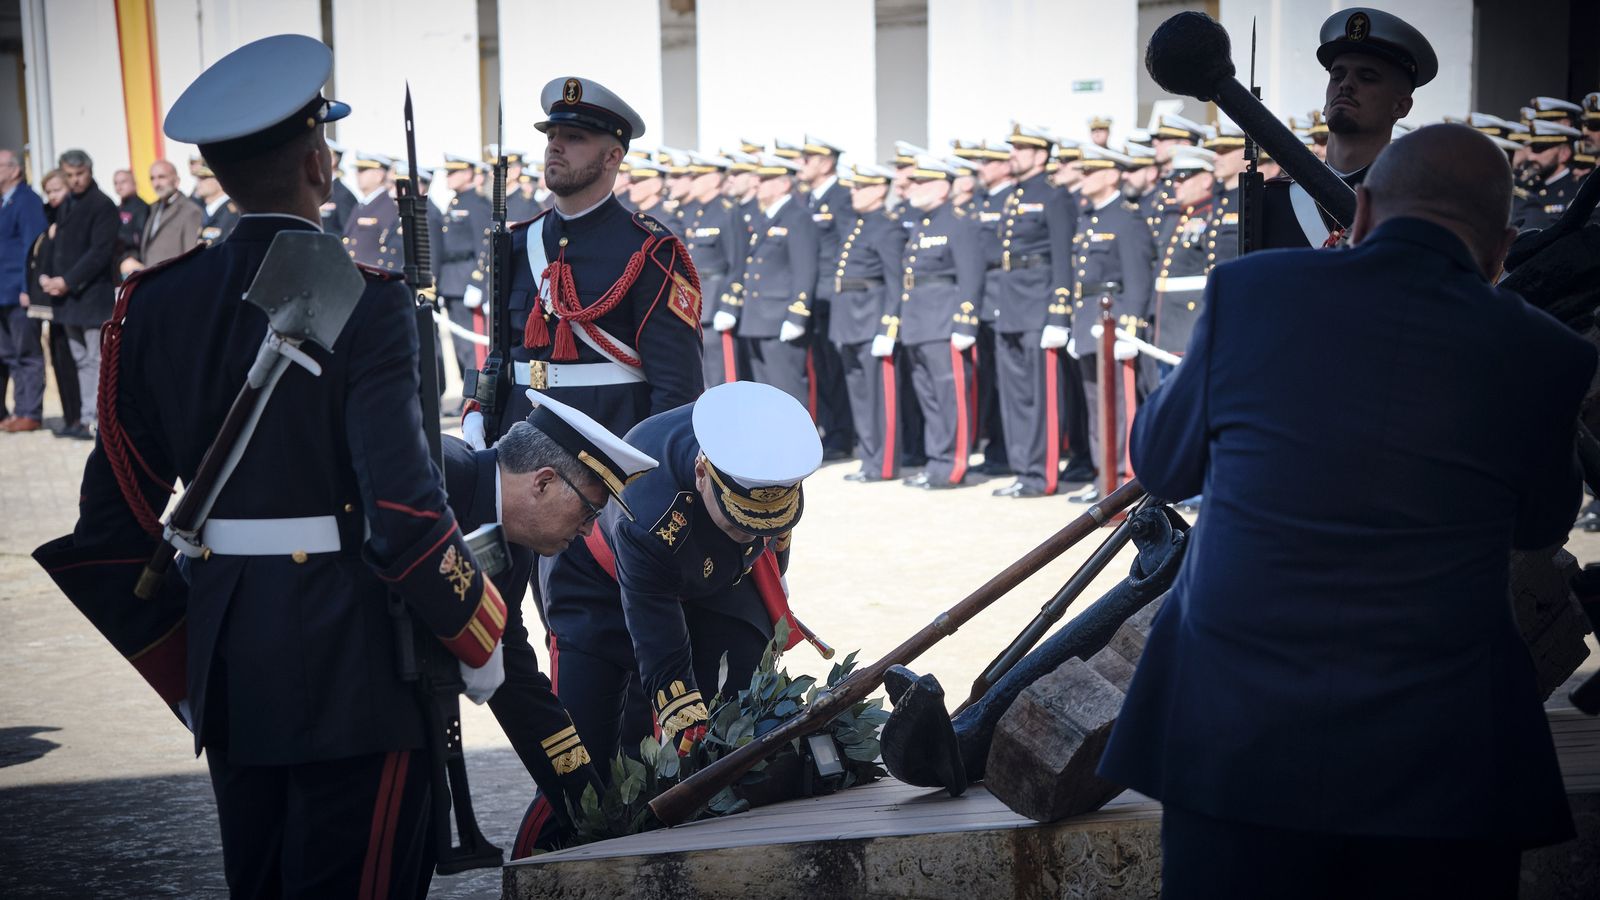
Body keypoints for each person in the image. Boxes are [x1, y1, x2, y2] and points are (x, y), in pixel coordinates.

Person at [33, 35, 505, 897]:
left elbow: (110, 533)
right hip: (357, 666)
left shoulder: (155, 304)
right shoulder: (370, 299)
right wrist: (477, 629)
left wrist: (202, 641)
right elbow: (402, 517)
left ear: (213, 168)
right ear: (320, 164)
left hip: (229, 663)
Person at [1099, 124, 1591, 898]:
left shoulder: (1251, 293)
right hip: (1441, 756)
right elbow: (1540, 527)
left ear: (1360, 214)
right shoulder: (1545, 355)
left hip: (1235, 733)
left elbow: (1162, 462)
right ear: (1502, 248)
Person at [537, 381, 821, 781]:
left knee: (741, 721)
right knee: (584, 760)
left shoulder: (756, 450)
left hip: (713, 576)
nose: (753, 535)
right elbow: (664, 655)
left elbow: (769, 530)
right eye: (740, 523)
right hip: (599, 588)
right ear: (703, 474)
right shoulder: (651, 516)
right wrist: (687, 723)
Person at [440, 391, 657, 856]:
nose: (587, 531)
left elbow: (516, 680)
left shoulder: (514, 548)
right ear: (542, 482)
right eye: (588, 512)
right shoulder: (439, 473)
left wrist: (588, 806)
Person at [463, 76, 703, 445]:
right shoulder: (519, 241)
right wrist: (478, 409)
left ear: (612, 157)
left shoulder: (651, 252)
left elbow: (677, 390)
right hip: (518, 441)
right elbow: (502, 354)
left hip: (605, 450)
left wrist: (645, 473)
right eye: (551, 135)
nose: (555, 147)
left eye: (574, 138)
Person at [1261, 7, 1436, 249]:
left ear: (1401, 106)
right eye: (1337, 75)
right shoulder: (1274, 200)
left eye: (1367, 77)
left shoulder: (1416, 206)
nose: (1346, 85)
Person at [1063, 145, 1154, 505]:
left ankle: (1123, 480)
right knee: (1095, 404)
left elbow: (1138, 277)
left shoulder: (1126, 219)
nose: (1083, 178)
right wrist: (1074, 324)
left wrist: (1130, 326)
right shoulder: (1088, 218)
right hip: (1089, 321)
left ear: (1112, 175)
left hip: (1115, 322)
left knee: (1118, 405)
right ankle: (1105, 476)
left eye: (1090, 172)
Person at [989, 124, 1076, 498]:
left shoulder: (1053, 197)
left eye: (1022, 149)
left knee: (1041, 398)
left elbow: (1063, 257)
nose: (1014, 154)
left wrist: (1059, 311)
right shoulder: (1013, 195)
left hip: (1039, 302)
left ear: (1041, 155)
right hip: (1010, 303)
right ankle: (1024, 469)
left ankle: (1042, 475)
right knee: (1014, 396)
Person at [895, 156, 985, 491]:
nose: (912, 188)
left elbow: (971, 275)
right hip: (919, 322)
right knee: (930, 400)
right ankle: (937, 462)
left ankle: (953, 466)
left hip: (945, 321)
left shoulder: (958, 223)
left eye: (921, 182)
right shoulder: (924, 223)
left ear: (942, 187)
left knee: (951, 399)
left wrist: (965, 322)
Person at [830, 164, 907, 483]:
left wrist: (889, 325)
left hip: (872, 316)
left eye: (860, 187)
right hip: (850, 318)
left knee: (880, 397)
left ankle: (885, 463)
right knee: (861, 396)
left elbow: (895, 281)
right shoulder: (859, 224)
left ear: (879, 189)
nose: (853, 193)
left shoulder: (887, 228)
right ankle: (870, 459)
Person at [37, 149, 118, 439]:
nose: (75, 180)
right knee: (80, 359)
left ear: (90, 171)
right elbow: (56, 245)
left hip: (91, 296)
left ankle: (98, 420)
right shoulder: (66, 204)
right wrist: (46, 277)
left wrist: (68, 281)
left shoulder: (102, 204)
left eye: (79, 174)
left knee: (97, 360)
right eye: (69, 175)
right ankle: (85, 418)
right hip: (68, 299)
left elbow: (99, 253)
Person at [726, 154, 817, 410]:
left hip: (780, 319)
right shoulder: (766, 218)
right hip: (758, 318)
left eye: (765, 179)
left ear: (783, 184)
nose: (758, 185)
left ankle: (799, 447)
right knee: (765, 392)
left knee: (787, 390)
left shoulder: (797, 218)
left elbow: (804, 270)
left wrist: (797, 316)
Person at [801, 134, 856, 461]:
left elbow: (847, 249)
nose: (801, 165)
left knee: (834, 370)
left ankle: (841, 436)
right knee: (820, 369)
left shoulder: (842, 197)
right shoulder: (807, 200)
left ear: (826, 162)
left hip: (830, 297)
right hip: (812, 299)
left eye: (808, 159)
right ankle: (829, 429)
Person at [429, 153, 494, 396]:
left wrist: (479, 282)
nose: (448, 177)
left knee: (472, 347)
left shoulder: (477, 204)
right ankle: (468, 395)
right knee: (459, 347)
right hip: (451, 281)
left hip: (467, 279)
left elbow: (485, 246)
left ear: (468, 174)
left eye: (453, 172)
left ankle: (477, 395)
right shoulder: (455, 203)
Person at [678, 151, 741, 388]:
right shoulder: (693, 212)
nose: (692, 181)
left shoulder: (727, 211)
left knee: (720, 379)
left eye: (698, 176)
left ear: (715, 179)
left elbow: (736, 262)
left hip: (715, 304)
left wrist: (728, 305)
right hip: (695, 303)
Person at [0, 148, 48, 432]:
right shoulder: (4, 202)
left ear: (14, 170)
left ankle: (28, 412)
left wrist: (26, 286)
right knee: (5, 355)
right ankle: (8, 412)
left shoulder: (27, 201)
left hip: (18, 292)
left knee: (26, 353)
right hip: (1, 292)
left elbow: (34, 248)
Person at [121, 159, 203, 276]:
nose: (156, 183)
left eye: (162, 177)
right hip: (152, 281)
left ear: (176, 181)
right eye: (152, 178)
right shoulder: (152, 208)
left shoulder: (190, 211)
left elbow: (192, 256)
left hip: (174, 281)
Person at [1511, 120, 1583, 231]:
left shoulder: (1578, 190)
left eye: (1540, 148)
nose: (1531, 157)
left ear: (1564, 153)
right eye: (1532, 148)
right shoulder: (1528, 185)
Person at [341, 153, 403, 272]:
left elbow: (391, 249)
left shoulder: (389, 206)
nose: (357, 174)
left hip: (373, 275)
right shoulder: (360, 206)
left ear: (379, 175)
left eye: (363, 170)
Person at [192, 159, 239, 245]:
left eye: (204, 178)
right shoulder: (199, 208)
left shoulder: (232, 213)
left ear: (220, 180)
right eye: (198, 178)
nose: (198, 182)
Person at [111, 168, 149, 271]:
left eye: (123, 182)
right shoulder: (116, 209)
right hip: (117, 260)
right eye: (115, 183)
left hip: (133, 259)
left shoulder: (141, 207)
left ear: (134, 183)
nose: (119, 187)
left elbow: (140, 238)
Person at [317, 140, 357, 234]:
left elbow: (348, 233)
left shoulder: (343, 194)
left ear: (332, 160)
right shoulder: (317, 190)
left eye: (320, 155)